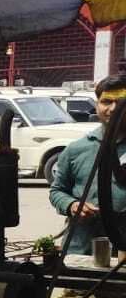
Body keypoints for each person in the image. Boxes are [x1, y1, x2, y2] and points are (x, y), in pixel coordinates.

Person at [49, 73, 126, 280]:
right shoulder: (77, 149)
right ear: (97, 104)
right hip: (80, 250)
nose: (112, 109)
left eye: (119, 102)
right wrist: (72, 205)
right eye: (106, 102)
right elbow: (57, 191)